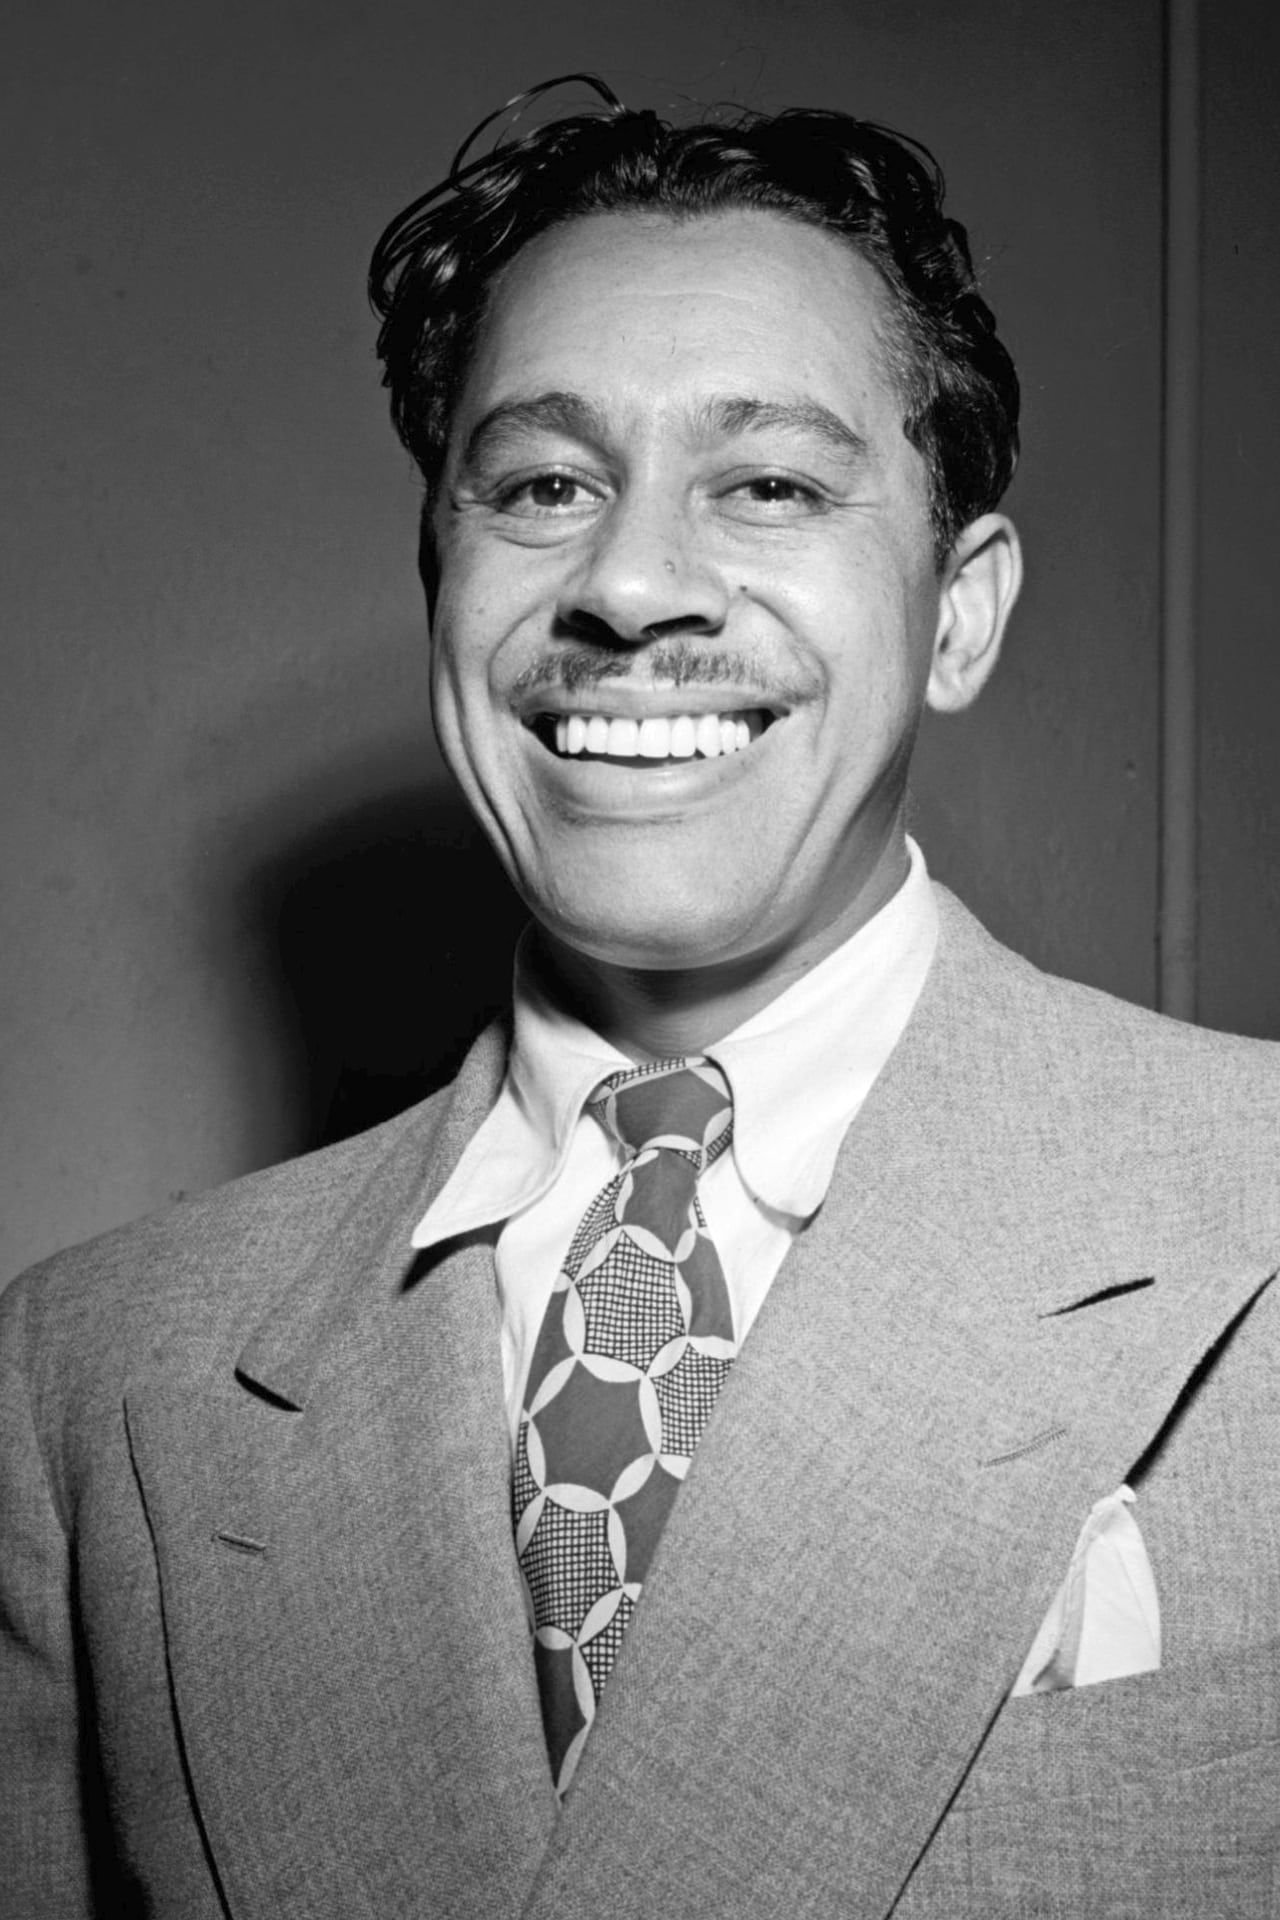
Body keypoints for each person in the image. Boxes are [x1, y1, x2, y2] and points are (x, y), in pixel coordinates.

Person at [3, 75, 1278, 1920]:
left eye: (769, 485)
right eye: (544, 485)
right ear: (441, 579)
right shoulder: (94, 1378)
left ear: (959, 612)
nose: (630, 582)